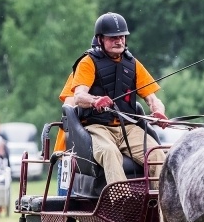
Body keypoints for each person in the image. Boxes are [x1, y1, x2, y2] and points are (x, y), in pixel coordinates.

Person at [71, 12, 169, 187]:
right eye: (113, 37)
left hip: (128, 128)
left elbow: (152, 98)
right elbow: (78, 97)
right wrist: (95, 100)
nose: (119, 41)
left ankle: (158, 205)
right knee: (109, 152)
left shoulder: (133, 64)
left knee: (157, 154)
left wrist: (158, 112)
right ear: (100, 39)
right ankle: (121, 203)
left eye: (122, 36)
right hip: (98, 127)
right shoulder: (87, 62)